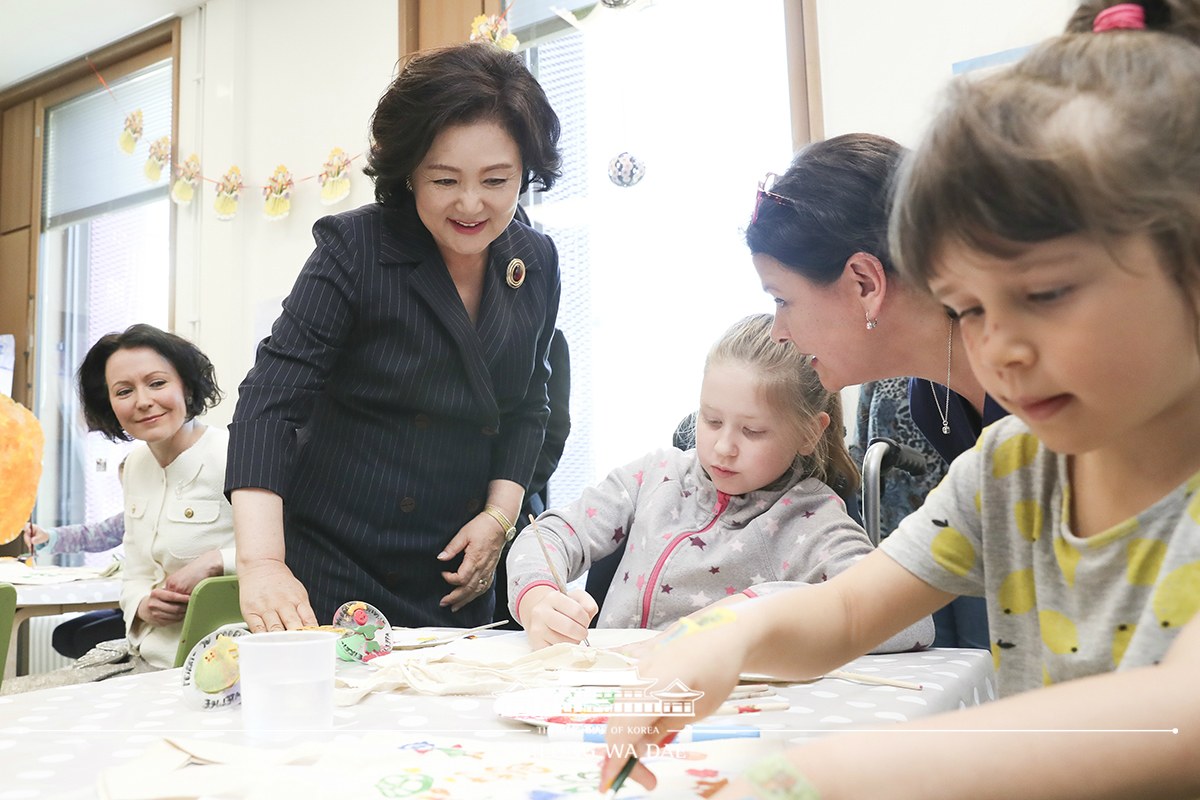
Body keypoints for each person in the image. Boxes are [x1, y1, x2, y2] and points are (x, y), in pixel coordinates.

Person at [600, 2, 1200, 796]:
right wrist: (723, 639)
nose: (1001, 349)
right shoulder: (1010, 469)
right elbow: (848, 613)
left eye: (1047, 292)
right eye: (974, 307)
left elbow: (1177, 714)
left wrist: (820, 773)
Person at [226, 42, 563, 633]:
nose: (470, 203)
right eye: (444, 179)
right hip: (338, 564)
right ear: (408, 172)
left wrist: (498, 519)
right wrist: (263, 564)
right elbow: (269, 405)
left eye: (496, 180)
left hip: (457, 570)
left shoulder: (534, 259)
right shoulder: (357, 250)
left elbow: (528, 405)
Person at [508, 314, 933, 652]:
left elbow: (911, 621)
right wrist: (538, 598)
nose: (724, 447)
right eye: (711, 420)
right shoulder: (654, 477)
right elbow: (550, 535)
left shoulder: (812, 521)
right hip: (609, 692)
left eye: (752, 431)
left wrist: (751, 611)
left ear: (809, 432)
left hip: (720, 715)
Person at [748, 132, 998, 648]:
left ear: (864, 282)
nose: (778, 332)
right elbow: (862, 601)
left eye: (782, 300)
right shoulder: (931, 403)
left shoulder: (1037, 393)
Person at [3, 325, 234, 693]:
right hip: (144, 658)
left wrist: (216, 560)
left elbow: (285, 554)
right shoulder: (137, 465)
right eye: (124, 391)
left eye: (157, 383)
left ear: (186, 387)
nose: (142, 401)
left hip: (219, 665)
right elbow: (136, 571)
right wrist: (142, 604)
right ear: (108, 404)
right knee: (13, 697)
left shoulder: (234, 454)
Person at [23, 455, 129, 658]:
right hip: (126, 606)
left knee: (84, 639)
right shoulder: (130, 517)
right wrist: (49, 537)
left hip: (149, 610)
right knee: (64, 636)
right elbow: (94, 534)